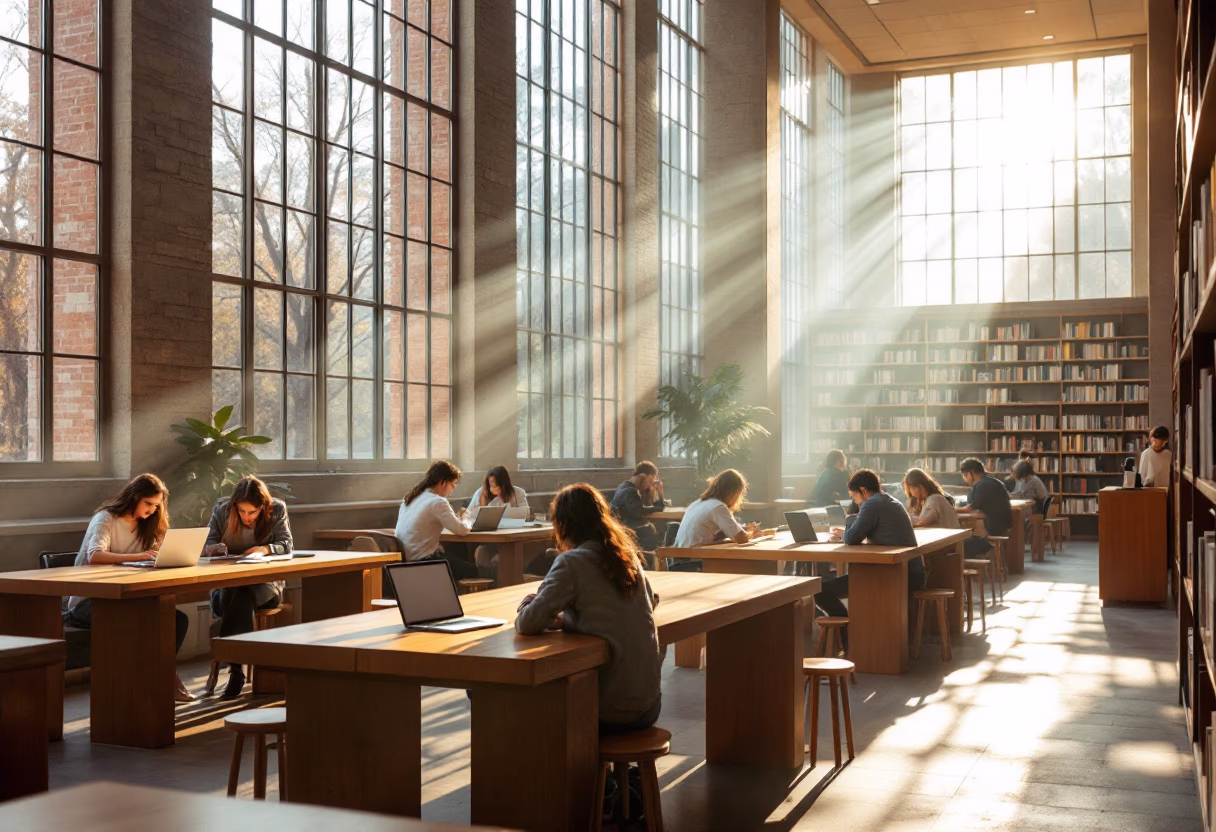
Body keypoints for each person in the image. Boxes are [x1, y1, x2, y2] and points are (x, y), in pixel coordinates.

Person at [516, 483, 663, 734]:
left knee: (504, 692)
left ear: (563, 524)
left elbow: (528, 623)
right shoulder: (626, 556)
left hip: (611, 710)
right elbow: (650, 601)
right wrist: (570, 619)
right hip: (649, 704)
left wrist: (528, 603)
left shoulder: (572, 562)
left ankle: (560, 771)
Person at [64, 474, 194, 703]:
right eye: (148, 504)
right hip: (90, 600)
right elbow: (95, 555)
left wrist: (164, 550)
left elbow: (159, 553)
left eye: (157, 505)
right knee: (141, 620)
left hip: (126, 597)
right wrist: (140, 556)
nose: (153, 510)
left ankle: (159, 677)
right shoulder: (106, 518)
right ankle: (162, 680)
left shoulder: (149, 523)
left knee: (176, 619)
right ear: (134, 498)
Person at [203, 476, 293, 700]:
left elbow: (287, 544)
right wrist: (214, 549)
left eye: (252, 512)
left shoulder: (276, 509)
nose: (246, 517)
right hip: (224, 590)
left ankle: (235, 669)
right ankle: (236, 670)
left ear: (263, 506)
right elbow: (205, 545)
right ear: (234, 506)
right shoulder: (222, 510)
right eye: (242, 511)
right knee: (237, 591)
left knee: (242, 591)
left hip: (265, 590)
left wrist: (264, 550)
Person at [815, 469, 921, 647]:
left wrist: (849, 522)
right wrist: (850, 530)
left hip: (890, 575)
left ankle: (848, 639)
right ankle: (849, 637)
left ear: (863, 490)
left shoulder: (871, 504)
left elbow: (851, 538)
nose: (854, 501)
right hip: (910, 571)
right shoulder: (888, 500)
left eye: (853, 496)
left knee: (820, 591)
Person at [670, 469, 771, 570]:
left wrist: (743, 529)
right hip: (695, 562)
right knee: (749, 567)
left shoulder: (698, 503)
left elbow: (722, 531)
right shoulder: (718, 507)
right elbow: (741, 539)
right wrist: (752, 533)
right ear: (733, 492)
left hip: (680, 560)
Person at [394, 460, 477, 579]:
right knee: (473, 570)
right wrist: (466, 518)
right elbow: (462, 530)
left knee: (453, 556)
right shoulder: (437, 501)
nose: (453, 489)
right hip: (425, 561)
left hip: (406, 561)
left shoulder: (410, 498)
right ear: (443, 482)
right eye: (453, 484)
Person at [468, 466, 529, 575]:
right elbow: (469, 513)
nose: (493, 486)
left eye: (496, 484)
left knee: (502, 558)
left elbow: (525, 512)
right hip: (487, 536)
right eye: (491, 483)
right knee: (481, 552)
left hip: (510, 536)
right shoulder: (481, 492)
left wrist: (503, 501)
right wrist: (481, 505)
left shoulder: (517, 492)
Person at [960, 457, 1012, 557]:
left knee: (957, 547)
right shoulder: (992, 481)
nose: (964, 478)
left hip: (989, 535)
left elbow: (970, 507)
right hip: (1002, 529)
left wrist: (953, 509)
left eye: (964, 475)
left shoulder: (982, 485)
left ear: (972, 472)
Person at [610, 461, 666, 552]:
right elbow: (641, 511)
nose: (650, 485)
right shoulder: (630, 491)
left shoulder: (623, 486)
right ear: (642, 476)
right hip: (629, 536)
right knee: (661, 533)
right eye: (651, 480)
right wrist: (660, 492)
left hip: (621, 533)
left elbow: (643, 508)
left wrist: (653, 492)